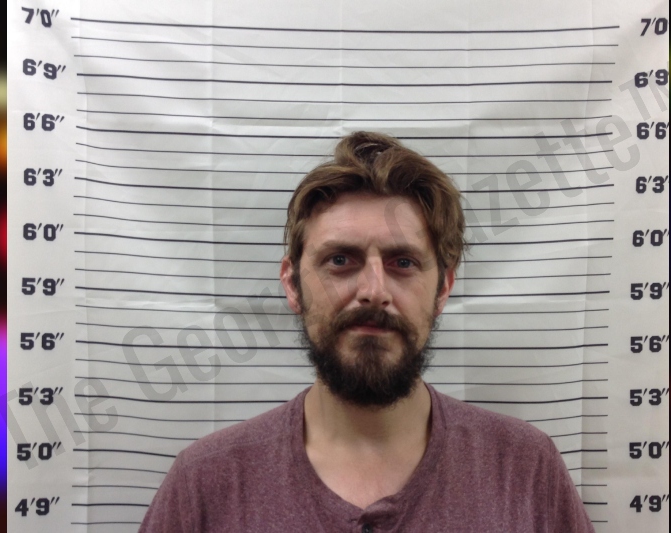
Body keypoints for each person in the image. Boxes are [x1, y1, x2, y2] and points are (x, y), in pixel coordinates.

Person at [139, 132, 595, 532]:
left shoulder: (525, 469)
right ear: (293, 284)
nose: (374, 291)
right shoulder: (205, 482)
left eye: (403, 262)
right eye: (340, 260)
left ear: (443, 288)